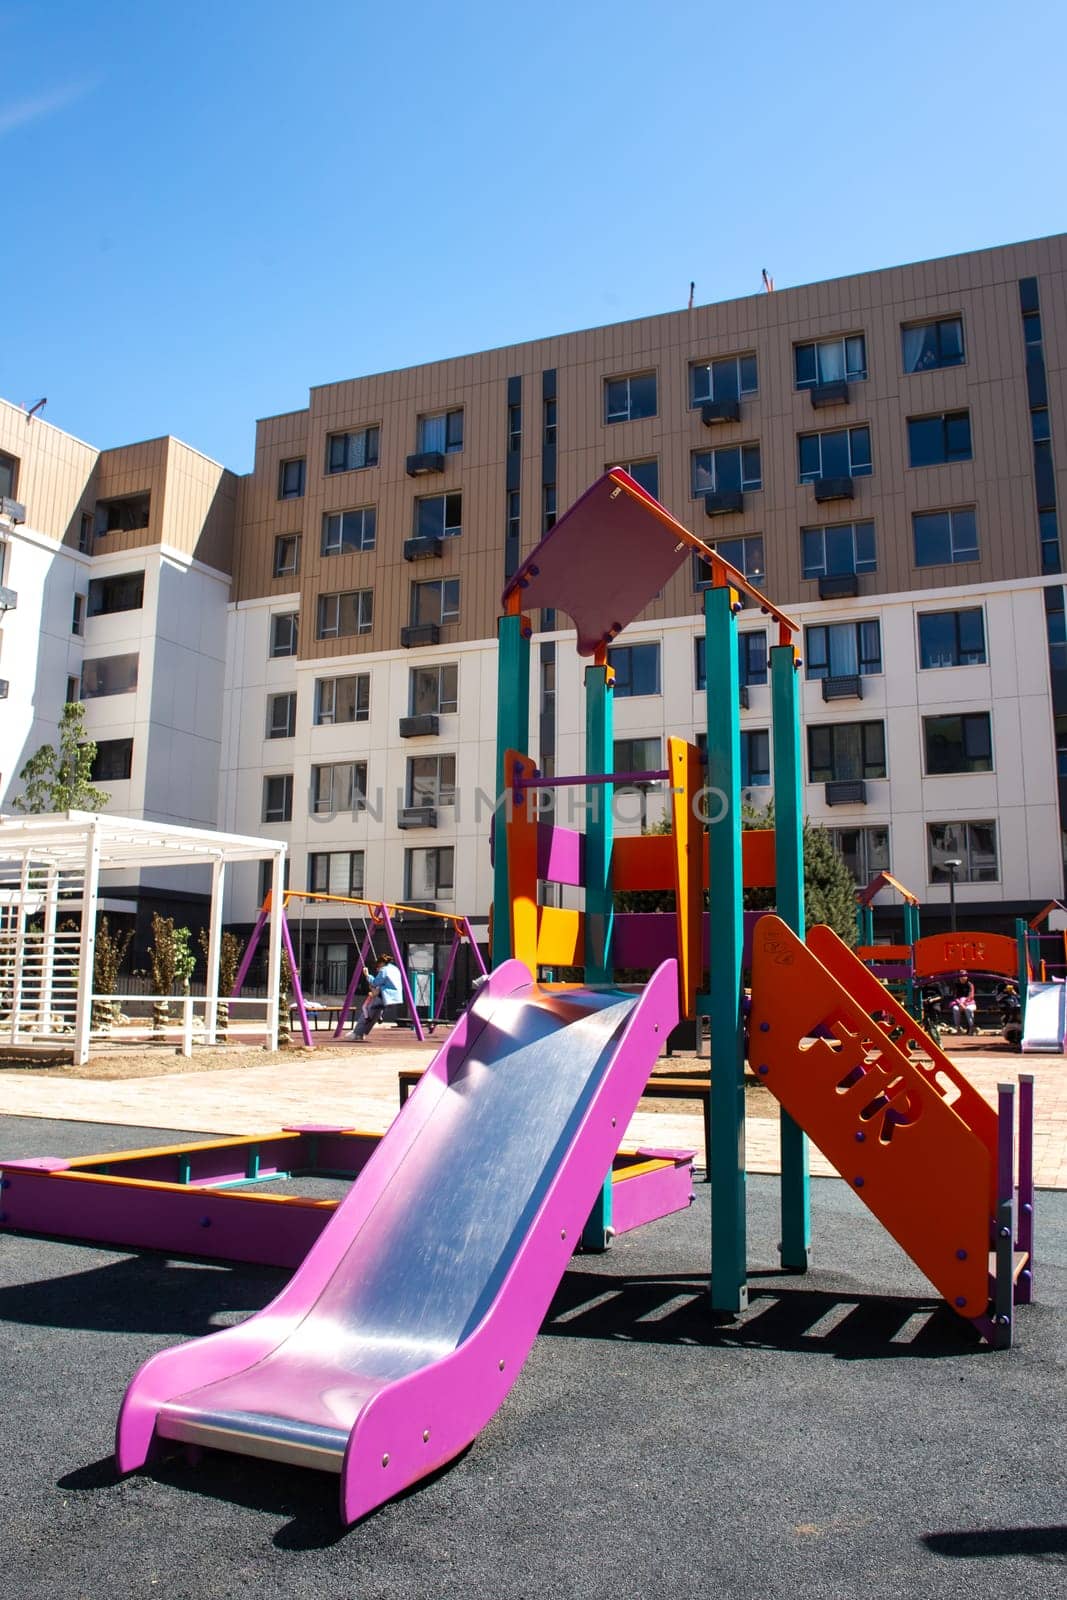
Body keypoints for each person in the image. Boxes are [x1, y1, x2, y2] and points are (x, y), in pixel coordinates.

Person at [350, 954, 403, 1040]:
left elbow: (375, 982)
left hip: (384, 996)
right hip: (395, 997)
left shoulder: (384, 970)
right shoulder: (395, 969)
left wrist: (367, 975)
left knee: (367, 1012)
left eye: (378, 964)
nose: (378, 966)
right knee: (375, 1014)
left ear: (382, 963)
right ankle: (363, 1032)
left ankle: (357, 1033)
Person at [949, 970, 977, 1035]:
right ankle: (958, 1028)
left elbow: (971, 996)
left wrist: (964, 1003)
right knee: (955, 1009)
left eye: (964, 976)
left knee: (968, 1009)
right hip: (958, 1003)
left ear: (967, 977)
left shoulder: (970, 984)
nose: (963, 977)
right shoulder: (956, 984)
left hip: (969, 1003)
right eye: (961, 976)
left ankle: (971, 1028)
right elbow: (954, 996)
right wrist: (960, 1003)